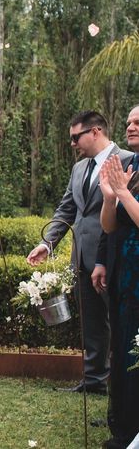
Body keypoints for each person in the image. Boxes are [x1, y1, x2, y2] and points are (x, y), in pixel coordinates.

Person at [27, 111, 132, 395]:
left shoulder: (128, 161)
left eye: (76, 137)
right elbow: (67, 209)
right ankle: (94, 380)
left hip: (114, 256)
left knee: (121, 322)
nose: (72, 144)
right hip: (82, 258)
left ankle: (123, 385)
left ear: (95, 132)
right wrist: (47, 243)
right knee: (92, 322)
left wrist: (107, 258)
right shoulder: (79, 169)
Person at [97, 104, 139, 449]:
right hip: (127, 272)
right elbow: (110, 226)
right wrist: (110, 198)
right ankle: (127, 426)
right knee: (125, 346)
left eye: (138, 122)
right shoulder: (131, 167)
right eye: (128, 122)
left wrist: (123, 192)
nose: (131, 127)